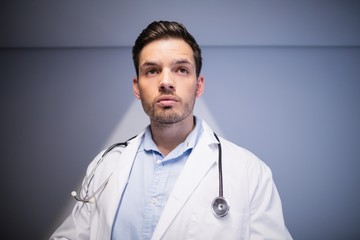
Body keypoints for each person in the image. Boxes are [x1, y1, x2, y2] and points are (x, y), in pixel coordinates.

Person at [50, 20, 292, 240]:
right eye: (152, 71)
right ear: (137, 87)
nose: (166, 82)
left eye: (181, 69)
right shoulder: (105, 166)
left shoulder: (250, 173)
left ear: (198, 86)